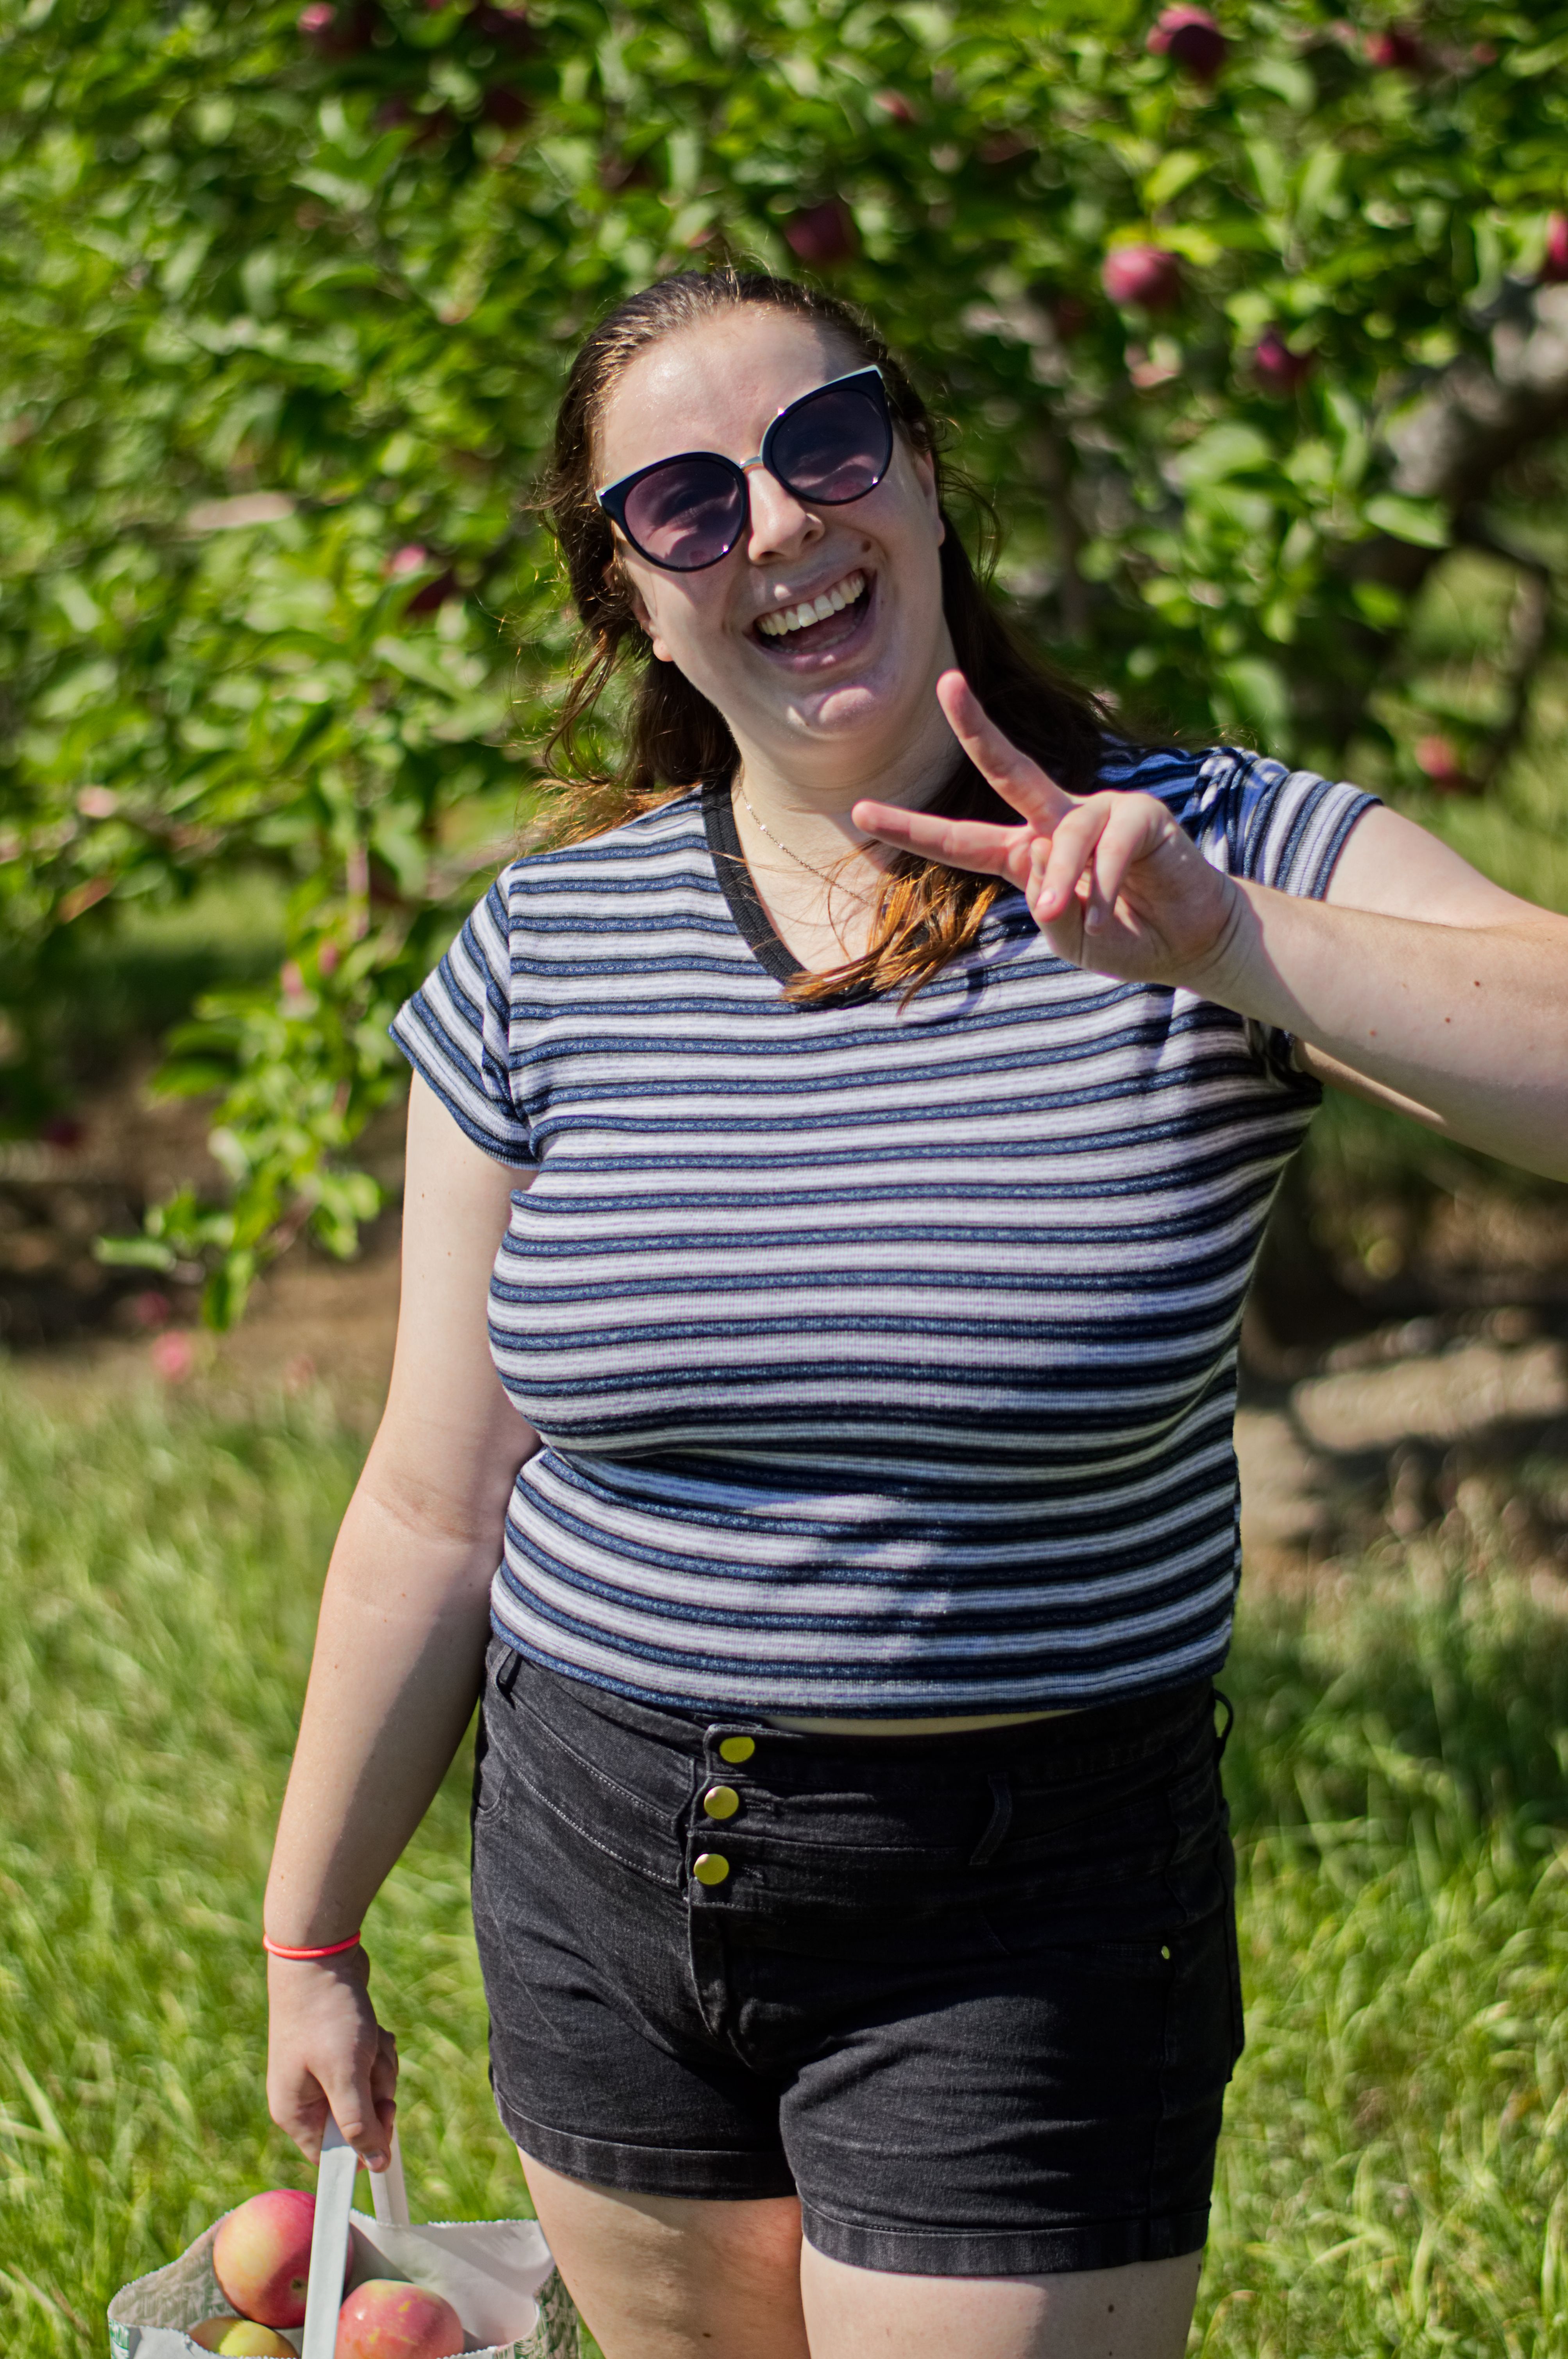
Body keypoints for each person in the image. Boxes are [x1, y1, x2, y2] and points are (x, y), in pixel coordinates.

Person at [262, 267, 1568, 2359]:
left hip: (1026, 1892)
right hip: (601, 1853)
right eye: (687, 503)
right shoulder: (549, 942)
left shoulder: (1198, 849)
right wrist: (308, 1926)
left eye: (828, 446)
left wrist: (1238, 948)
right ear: (632, 599)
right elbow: (437, 1492)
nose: (779, 525)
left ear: (928, 478)